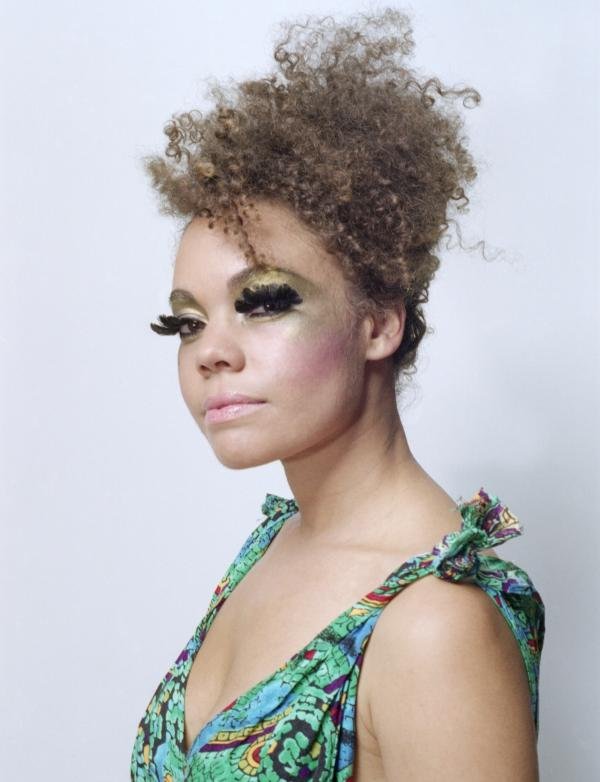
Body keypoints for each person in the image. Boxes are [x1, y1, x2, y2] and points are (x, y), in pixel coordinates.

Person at [130, 7, 545, 781]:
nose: (211, 352)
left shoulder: (435, 623)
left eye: (263, 302)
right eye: (186, 322)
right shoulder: (273, 543)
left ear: (378, 324)